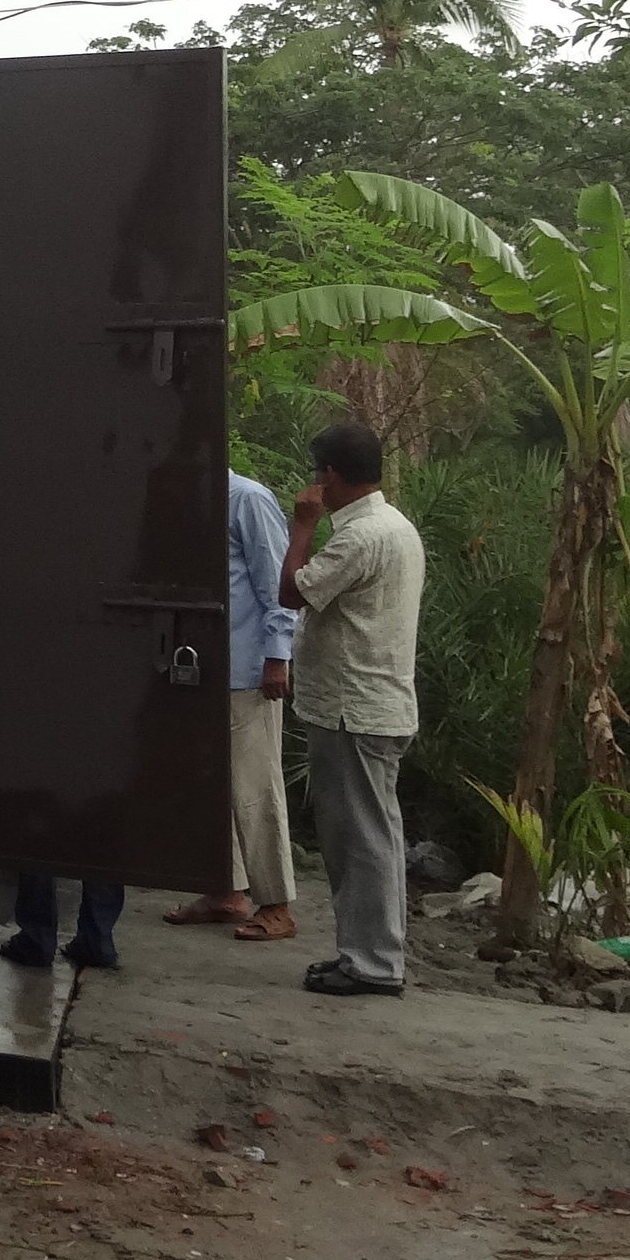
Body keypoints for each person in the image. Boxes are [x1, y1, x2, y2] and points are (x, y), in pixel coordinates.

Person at [277, 420, 426, 998]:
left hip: (351, 709)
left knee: (358, 839)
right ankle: (369, 954)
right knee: (373, 835)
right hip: (374, 704)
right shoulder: (396, 527)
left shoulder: (358, 537)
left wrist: (302, 526)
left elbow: (293, 591)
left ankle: (372, 963)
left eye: (318, 473)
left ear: (331, 475)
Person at [163, 469, 304, 941]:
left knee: (255, 786)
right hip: (196, 665)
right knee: (209, 785)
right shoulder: (180, 495)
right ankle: (226, 891)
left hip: (247, 668)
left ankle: (277, 904)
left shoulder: (247, 498)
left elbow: (277, 584)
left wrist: (278, 657)